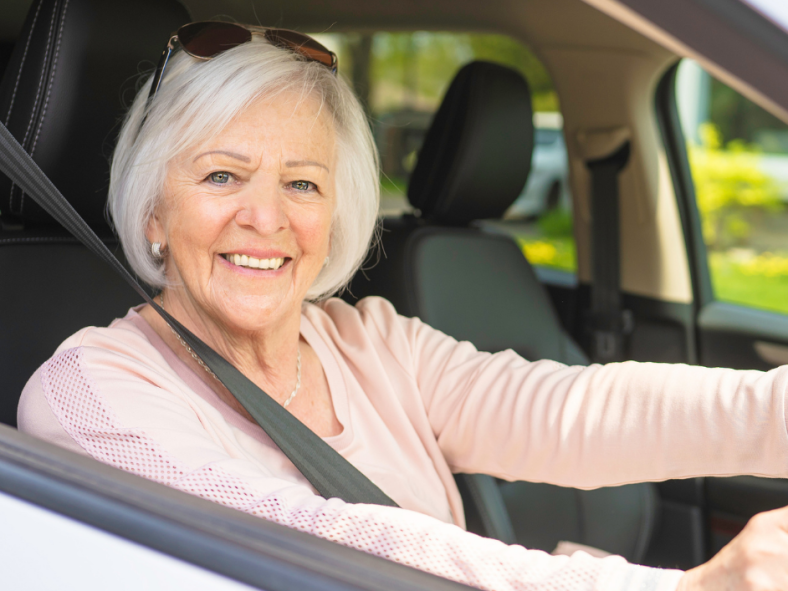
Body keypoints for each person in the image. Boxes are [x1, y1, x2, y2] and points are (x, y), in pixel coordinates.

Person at [16, 22, 788, 591]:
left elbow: (571, 408)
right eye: (222, 176)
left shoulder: (369, 341)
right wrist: (686, 587)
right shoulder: (89, 390)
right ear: (153, 211)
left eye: (303, 183)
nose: (266, 217)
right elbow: (320, 538)